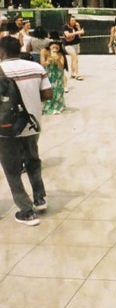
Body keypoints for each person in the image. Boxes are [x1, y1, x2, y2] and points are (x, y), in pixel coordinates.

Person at [0, 35, 53, 225]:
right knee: (33, 161)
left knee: (12, 168)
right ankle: (40, 199)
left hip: (6, 128)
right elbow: (48, 94)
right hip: (31, 123)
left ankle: (26, 210)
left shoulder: (1, 69)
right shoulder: (36, 67)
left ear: (2, 52)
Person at [40, 40, 66, 115]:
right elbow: (43, 63)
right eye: (53, 47)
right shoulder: (45, 52)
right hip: (49, 74)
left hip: (57, 75)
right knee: (49, 90)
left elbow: (61, 67)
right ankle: (48, 107)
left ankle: (58, 105)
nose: (55, 48)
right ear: (50, 47)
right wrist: (48, 60)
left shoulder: (60, 54)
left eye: (56, 47)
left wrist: (57, 60)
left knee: (58, 90)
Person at [62, 15, 85, 80]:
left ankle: (72, 73)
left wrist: (78, 28)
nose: (73, 22)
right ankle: (77, 74)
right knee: (75, 58)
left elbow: (80, 35)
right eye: (72, 20)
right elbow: (67, 35)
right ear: (69, 20)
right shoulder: (66, 27)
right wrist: (78, 32)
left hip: (76, 44)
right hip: (68, 45)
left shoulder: (76, 26)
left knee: (74, 59)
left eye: (74, 20)